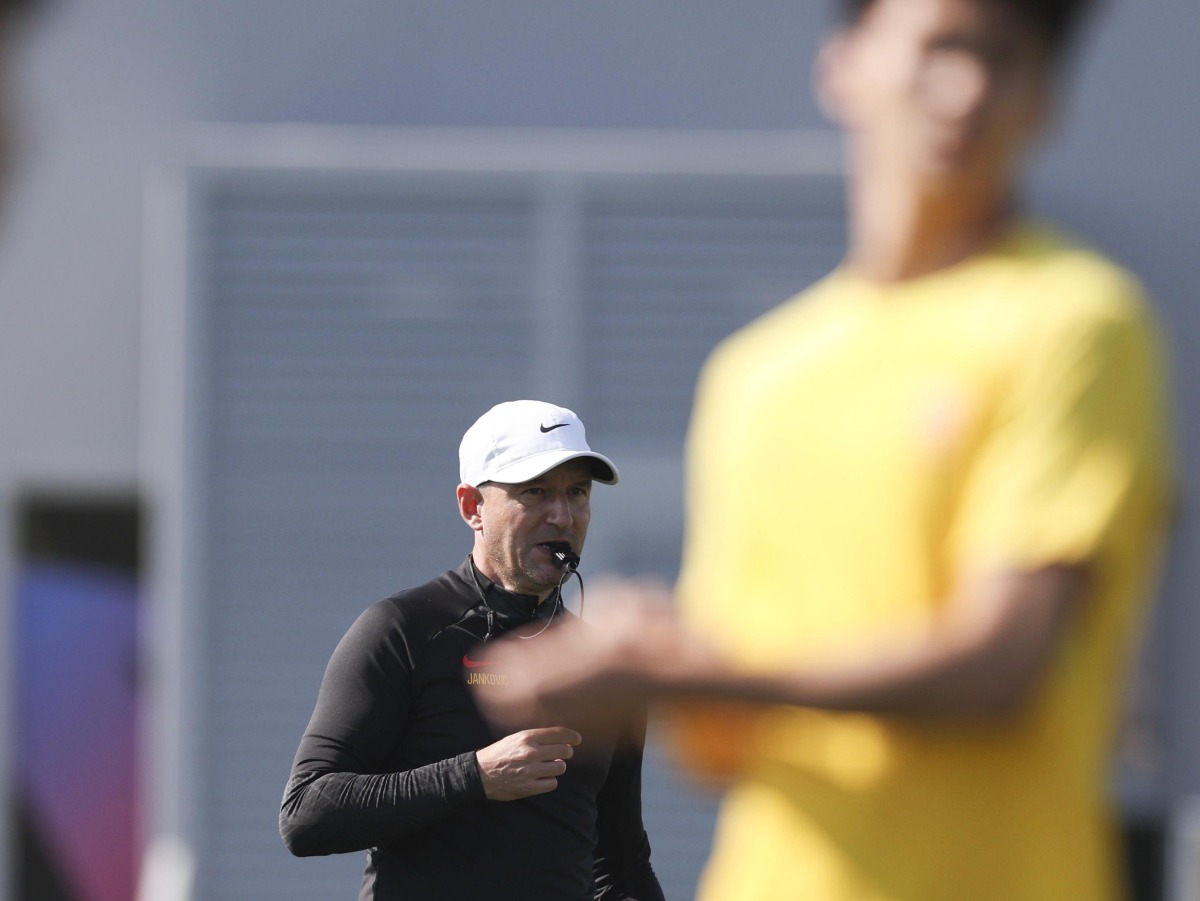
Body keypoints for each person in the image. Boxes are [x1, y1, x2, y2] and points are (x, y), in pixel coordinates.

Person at [472, 1, 1176, 899]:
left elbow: (1002, 666)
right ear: (845, 65)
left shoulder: (1077, 322)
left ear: (1046, 102)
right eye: (941, 46)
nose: (968, 88)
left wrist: (689, 668)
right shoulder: (759, 376)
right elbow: (723, 745)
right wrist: (626, 668)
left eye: (1007, 58)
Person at [279, 399, 664, 901]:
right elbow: (306, 814)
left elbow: (619, 864)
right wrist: (475, 775)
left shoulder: (607, 666)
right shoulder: (402, 629)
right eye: (535, 492)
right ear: (471, 507)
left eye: (577, 493)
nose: (563, 514)